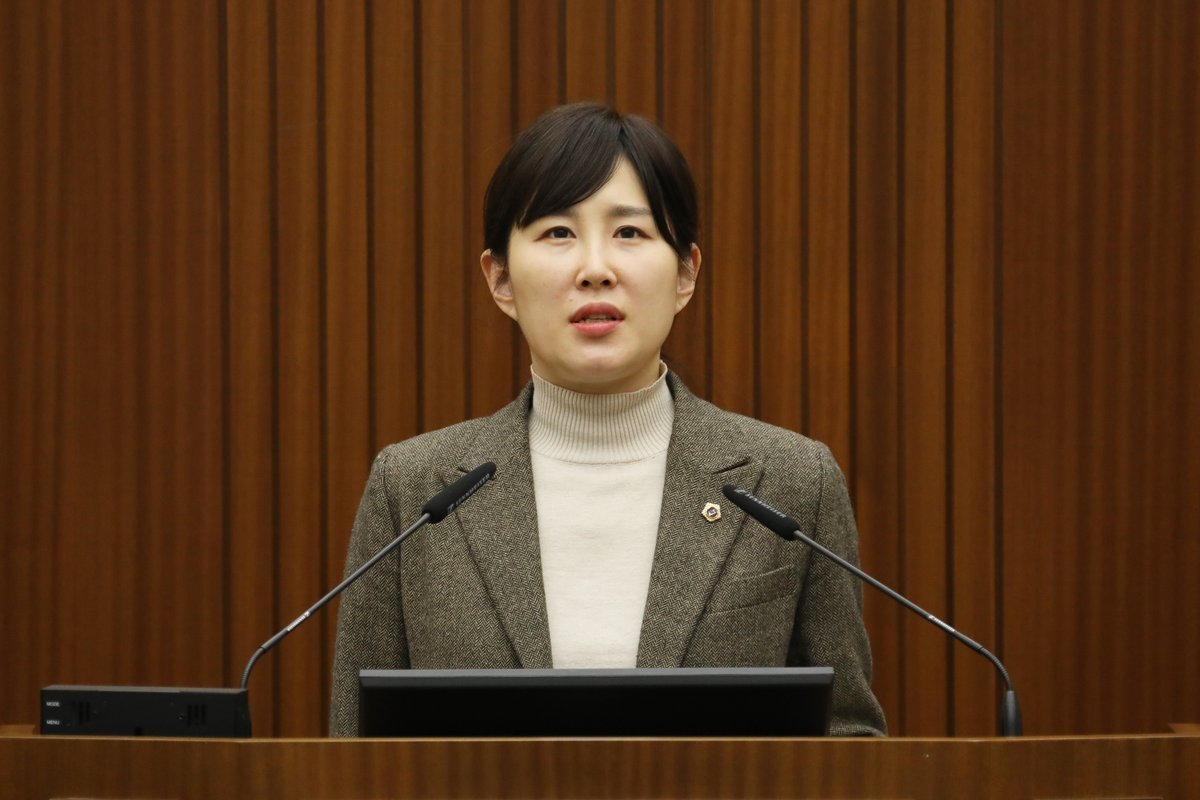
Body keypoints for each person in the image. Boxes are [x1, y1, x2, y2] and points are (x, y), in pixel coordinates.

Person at [329, 103, 886, 737]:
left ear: (686, 272)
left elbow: (849, 739)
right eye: (557, 233)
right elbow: (353, 749)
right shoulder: (413, 490)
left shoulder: (789, 483)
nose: (595, 269)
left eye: (628, 232)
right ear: (500, 279)